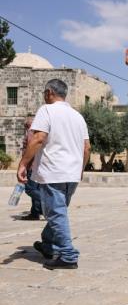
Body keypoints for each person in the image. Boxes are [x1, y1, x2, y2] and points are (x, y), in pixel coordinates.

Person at [17, 79, 90, 269]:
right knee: (58, 211)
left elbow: (38, 138)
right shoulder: (77, 116)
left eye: (44, 93)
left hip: (53, 172)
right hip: (72, 173)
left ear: (49, 92)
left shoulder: (46, 110)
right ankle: (48, 244)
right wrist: (80, 169)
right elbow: (86, 148)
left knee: (56, 214)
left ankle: (67, 255)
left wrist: (23, 164)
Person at [20, 116, 43, 220]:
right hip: (39, 166)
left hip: (32, 166)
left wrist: (23, 165)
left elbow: (30, 149)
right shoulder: (39, 133)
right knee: (36, 188)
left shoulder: (31, 133)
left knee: (30, 189)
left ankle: (47, 203)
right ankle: (35, 213)